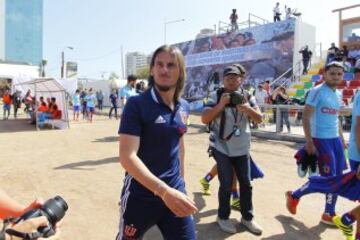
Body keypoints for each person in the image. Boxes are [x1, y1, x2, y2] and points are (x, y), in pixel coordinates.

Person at [116, 45, 198, 240]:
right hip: (140, 196)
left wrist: (181, 184)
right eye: (159, 64)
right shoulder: (136, 105)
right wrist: (163, 191)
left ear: (180, 72)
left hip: (174, 193)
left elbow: (179, 146)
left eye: (171, 65)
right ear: (152, 70)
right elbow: (127, 157)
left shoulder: (183, 107)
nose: (164, 70)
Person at [202, 64, 263, 235]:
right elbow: (204, 118)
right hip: (221, 147)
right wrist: (221, 105)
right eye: (227, 77)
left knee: (246, 184)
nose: (231, 80)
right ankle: (223, 217)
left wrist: (248, 109)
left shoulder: (248, 95)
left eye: (235, 77)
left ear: (241, 79)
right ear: (223, 80)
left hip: (242, 148)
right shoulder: (215, 95)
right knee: (226, 183)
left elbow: (259, 119)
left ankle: (247, 218)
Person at [286, 61, 347, 225]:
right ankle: (326, 212)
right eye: (332, 73)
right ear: (325, 74)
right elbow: (305, 117)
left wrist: (341, 139)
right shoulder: (316, 91)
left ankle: (301, 198)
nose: (335, 77)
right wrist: (309, 142)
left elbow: (336, 118)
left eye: (339, 74)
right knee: (330, 179)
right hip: (320, 140)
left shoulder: (338, 94)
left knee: (338, 177)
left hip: (335, 141)